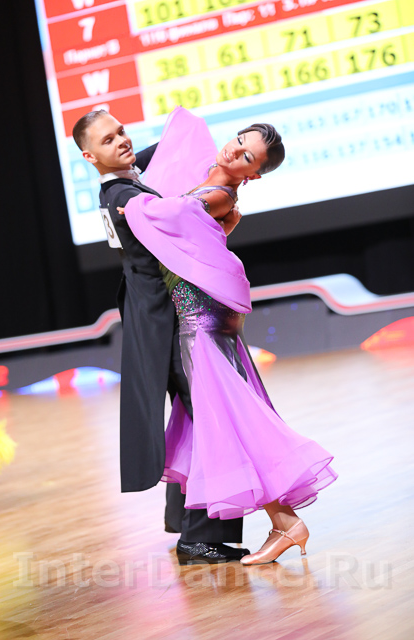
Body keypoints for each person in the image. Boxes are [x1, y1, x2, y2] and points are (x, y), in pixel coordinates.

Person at [120, 107, 338, 565]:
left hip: (199, 321)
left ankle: (285, 522)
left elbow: (171, 214)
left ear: (253, 175)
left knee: (232, 419)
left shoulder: (218, 195)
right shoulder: (209, 179)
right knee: (226, 418)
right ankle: (282, 523)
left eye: (247, 157)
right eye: (239, 141)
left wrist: (129, 204)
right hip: (198, 317)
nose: (234, 152)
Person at [72, 110, 250, 565]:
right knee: (211, 416)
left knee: (196, 414)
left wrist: (225, 160)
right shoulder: (125, 196)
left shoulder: (124, 182)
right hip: (166, 323)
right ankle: (197, 536)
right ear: (90, 157)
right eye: (108, 140)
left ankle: (183, 518)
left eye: (121, 131)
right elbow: (186, 215)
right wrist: (225, 189)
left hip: (158, 316)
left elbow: (175, 144)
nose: (122, 141)